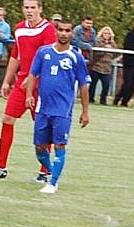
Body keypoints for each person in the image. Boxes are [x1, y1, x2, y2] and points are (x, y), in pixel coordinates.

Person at [0, 0, 55, 180]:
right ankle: (1, 167)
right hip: (21, 83)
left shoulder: (48, 29)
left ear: (40, 9)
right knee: (7, 118)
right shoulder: (20, 28)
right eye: (26, 7)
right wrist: (6, 81)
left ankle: (45, 171)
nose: (29, 11)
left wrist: (34, 79)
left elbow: (48, 58)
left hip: (41, 85)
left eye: (33, 7)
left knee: (42, 127)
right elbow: (16, 55)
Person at [25, 18, 90, 194]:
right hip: (42, 108)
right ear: (56, 31)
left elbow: (83, 85)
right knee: (39, 148)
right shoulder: (43, 52)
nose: (63, 33)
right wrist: (29, 95)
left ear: (71, 33)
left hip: (62, 110)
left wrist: (85, 111)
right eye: (61, 30)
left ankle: (52, 183)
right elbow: (33, 75)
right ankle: (53, 173)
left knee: (59, 145)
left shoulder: (76, 57)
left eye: (67, 30)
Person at [112, 19, 134, 107]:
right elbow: (129, 46)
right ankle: (118, 98)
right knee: (127, 83)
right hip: (128, 63)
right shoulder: (130, 35)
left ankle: (125, 102)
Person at [88, 25, 115, 105]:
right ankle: (90, 99)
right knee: (93, 85)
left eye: (108, 33)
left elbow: (116, 53)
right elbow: (95, 53)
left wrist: (111, 49)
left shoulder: (113, 44)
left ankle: (103, 101)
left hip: (107, 68)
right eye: (105, 33)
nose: (107, 35)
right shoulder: (97, 42)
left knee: (106, 86)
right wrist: (105, 49)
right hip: (97, 66)